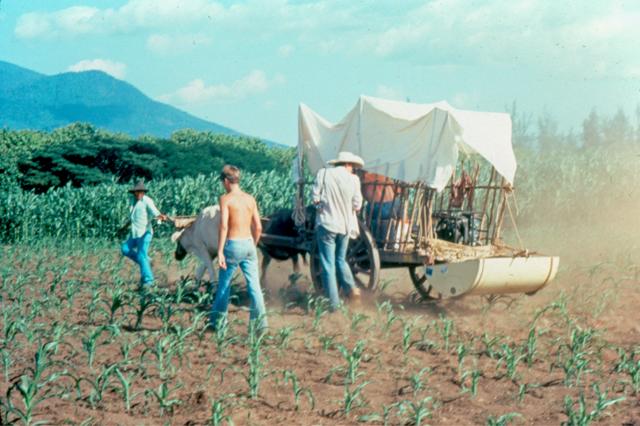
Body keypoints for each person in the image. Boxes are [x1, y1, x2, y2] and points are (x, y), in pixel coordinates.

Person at [210, 165, 267, 332]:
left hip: (233, 244)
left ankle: (218, 325)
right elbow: (258, 228)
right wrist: (252, 245)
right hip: (249, 243)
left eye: (223, 182)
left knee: (224, 286)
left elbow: (224, 227)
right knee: (255, 287)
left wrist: (220, 251)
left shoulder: (225, 199)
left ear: (226, 181)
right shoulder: (250, 199)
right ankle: (260, 326)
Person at [312, 151, 364, 310]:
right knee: (340, 260)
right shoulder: (354, 180)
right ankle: (350, 288)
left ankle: (334, 305)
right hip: (345, 226)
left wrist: (322, 208)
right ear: (347, 164)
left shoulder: (324, 173)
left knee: (328, 264)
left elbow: (315, 199)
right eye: (352, 166)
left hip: (327, 224)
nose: (353, 169)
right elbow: (357, 205)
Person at [120, 180, 167, 289]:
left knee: (141, 255)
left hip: (145, 233)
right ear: (134, 192)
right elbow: (132, 217)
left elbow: (155, 212)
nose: (140, 194)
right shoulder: (132, 201)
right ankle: (147, 261)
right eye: (138, 192)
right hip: (135, 233)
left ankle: (148, 281)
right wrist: (123, 227)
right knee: (125, 249)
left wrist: (161, 216)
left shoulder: (147, 201)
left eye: (142, 192)